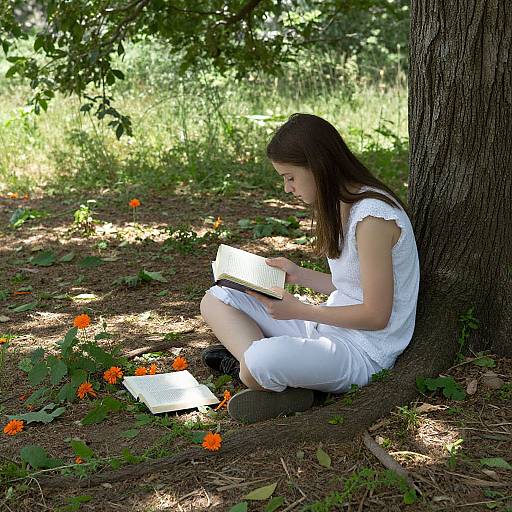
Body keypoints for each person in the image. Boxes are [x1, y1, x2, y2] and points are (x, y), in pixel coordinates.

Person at [200, 113, 420, 423]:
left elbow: (375, 314)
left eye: (290, 176)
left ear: (317, 167)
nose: (287, 188)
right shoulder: (343, 204)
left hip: (361, 351)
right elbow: (350, 286)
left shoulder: (373, 218)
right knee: (216, 299)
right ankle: (270, 375)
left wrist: (301, 310)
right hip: (326, 328)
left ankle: (257, 372)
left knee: (260, 359)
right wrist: (298, 275)